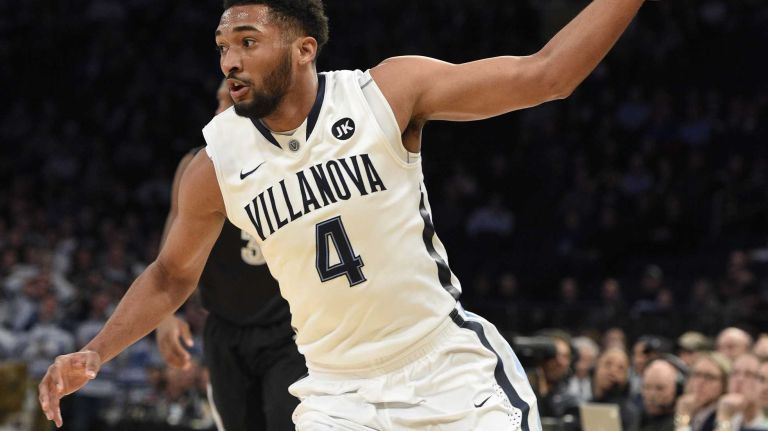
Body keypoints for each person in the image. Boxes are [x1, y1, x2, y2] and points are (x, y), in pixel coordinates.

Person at [38, 0, 654, 429]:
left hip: (445, 369)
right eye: (223, 47)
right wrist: (96, 351)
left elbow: (546, 75)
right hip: (337, 393)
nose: (230, 61)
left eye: (248, 42)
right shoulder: (215, 162)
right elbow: (171, 275)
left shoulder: (384, 95)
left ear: (304, 49)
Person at [154, 79, 306, 431]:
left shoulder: (298, 162)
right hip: (224, 328)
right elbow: (172, 257)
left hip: (291, 329)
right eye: (218, 101)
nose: (219, 112)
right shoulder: (196, 168)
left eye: (231, 101)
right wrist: (165, 315)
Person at [674, 352, 730, 431]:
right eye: (697, 375)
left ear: (724, 383)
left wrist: (683, 417)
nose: (700, 382)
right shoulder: (693, 410)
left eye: (709, 377)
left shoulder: (725, 414)